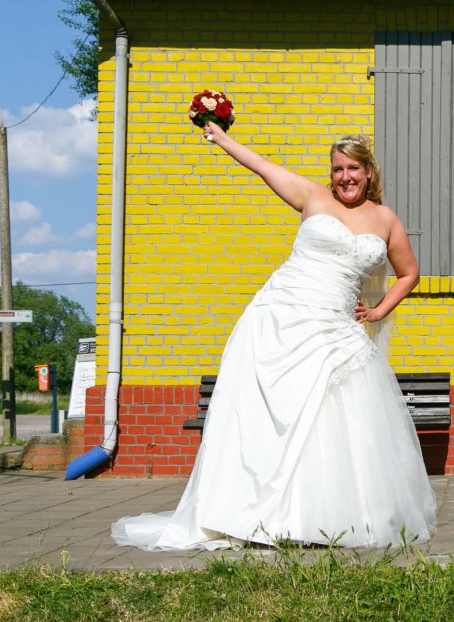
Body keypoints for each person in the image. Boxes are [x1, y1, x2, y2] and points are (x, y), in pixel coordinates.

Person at [111, 122, 437, 550]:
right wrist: (223, 140)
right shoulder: (312, 196)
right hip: (278, 320)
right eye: (338, 169)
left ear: (369, 172)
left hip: (337, 333)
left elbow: (409, 273)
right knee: (268, 421)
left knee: (339, 424)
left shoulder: (386, 219)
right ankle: (252, 514)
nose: (345, 177)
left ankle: (329, 519)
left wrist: (377, 310)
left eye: (353, 168)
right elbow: (261, 166)